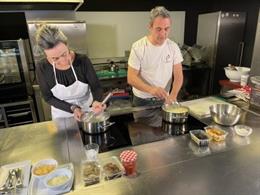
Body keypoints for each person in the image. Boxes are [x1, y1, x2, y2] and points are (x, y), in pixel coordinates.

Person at [35, 24, 105, 121]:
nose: (63, 61)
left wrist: (96, 101)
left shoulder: (82, 61)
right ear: (45, 53)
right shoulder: (42, 67)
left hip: (88, 112)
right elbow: (48, 97)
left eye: (64, 54)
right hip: (61, 115)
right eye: (55, 58)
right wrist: (73, 108)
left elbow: (96, 87)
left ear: (67, 44)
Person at [127, 6, 183, 107]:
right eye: (158, 29)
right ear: (150, 27)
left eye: (166, 29)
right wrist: (151, 89)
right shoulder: (138, 47)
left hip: (165, 99)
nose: (163, 34)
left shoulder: (173, 47)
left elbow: (178, 75)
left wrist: (173, 95)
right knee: (141, 124)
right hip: (142, 100)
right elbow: (131, 78)